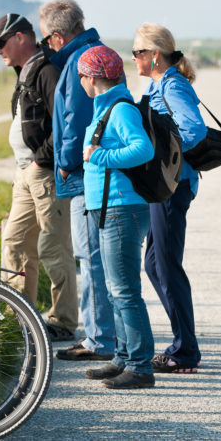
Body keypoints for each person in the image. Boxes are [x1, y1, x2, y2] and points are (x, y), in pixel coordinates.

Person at [0, 13, 78, 341]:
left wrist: (41, 161)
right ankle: (19, 318)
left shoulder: (47, 70)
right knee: (14, 240)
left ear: (21, 37)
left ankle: (63, 322)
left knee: (54, 247)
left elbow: (65, 123)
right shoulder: (27, 69)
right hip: (26, 172)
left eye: (1, 43)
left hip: (45, 173)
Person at [38, 0, 115, 360]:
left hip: (85, 172)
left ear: (57, 35)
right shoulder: (96, 55)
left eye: (46, 38)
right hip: (97, 171)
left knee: (91, 256)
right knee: (95, 256)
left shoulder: (79, 63)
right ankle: (102, 336)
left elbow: (76, 119)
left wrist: (66, 161)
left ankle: (100, 340)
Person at [77, 45, 156, 389]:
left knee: (125, 291)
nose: (81, 81)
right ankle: (123, 358)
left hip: (123, 208)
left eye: (82, 75)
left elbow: (143, 149)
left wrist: (100, 155)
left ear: (91, 77)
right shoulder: (106, 107)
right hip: (108, 208)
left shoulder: (120, 109)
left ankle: (140, 366)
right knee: (114, 290)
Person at [132, 23, 207, 374]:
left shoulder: (172, 84)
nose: (133, 58)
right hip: (165, 187)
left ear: (154, 55)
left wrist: (163, 155)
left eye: (137, 52)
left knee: (167, 266)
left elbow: (194, 128)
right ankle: (184, 341)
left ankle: (185, 351)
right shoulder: (160, 83)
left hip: (172, 187)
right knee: (153, 264)